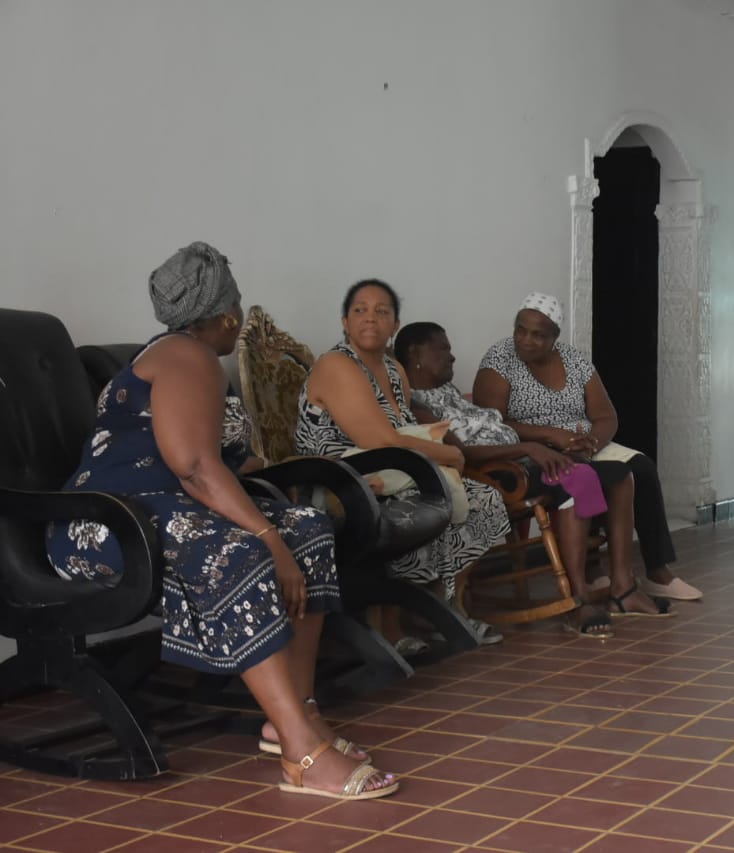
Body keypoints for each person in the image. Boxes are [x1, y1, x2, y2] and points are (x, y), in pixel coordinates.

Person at [46, 242, 396, 800]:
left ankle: (293, 716)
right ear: (228, 313)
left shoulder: (192, 362)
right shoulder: (186, 355)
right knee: (243, 550)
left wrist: (276, 503)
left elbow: (223, 459)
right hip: (106, 522)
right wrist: (265, 535)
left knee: (305, 527)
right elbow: (191, 466)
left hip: (165, 507)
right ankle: (301, 753)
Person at [394, 321, 670, 634]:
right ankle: (577, 599)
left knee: (621, 475)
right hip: (501, 474)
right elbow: (463, 454)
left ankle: (624, 589)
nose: (453, 356)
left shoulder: (447, 392)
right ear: (416, 355)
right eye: (443, 348)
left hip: (524, 459)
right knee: (576, 482)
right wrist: (528, 447)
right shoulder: (418, 405)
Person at [295, 279, 510, 646]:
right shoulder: (336, 364)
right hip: (343, 481)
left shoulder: (394, 370)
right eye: (359, 310)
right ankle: (389, 625)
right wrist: (450, 454)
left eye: (382, 312)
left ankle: (446, 608)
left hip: (395, 468)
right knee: (431, 493)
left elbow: (404, 427)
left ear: (394, 325)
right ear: (345, 321)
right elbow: (378, 440)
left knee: (483, 498)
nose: (370, 319)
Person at [472, 292, 702, 614]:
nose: (526, 340)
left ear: (555, 337)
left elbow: (606, 416)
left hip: (581, 442)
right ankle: (596, 571)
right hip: (535, 448)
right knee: (607, 476)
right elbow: (490, 422)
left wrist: (592, 441)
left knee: (643, 468)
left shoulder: (574, 360)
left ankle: (657, 570)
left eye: (538, 334)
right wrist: (551, 434)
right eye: (520, 330)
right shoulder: (500, 359)